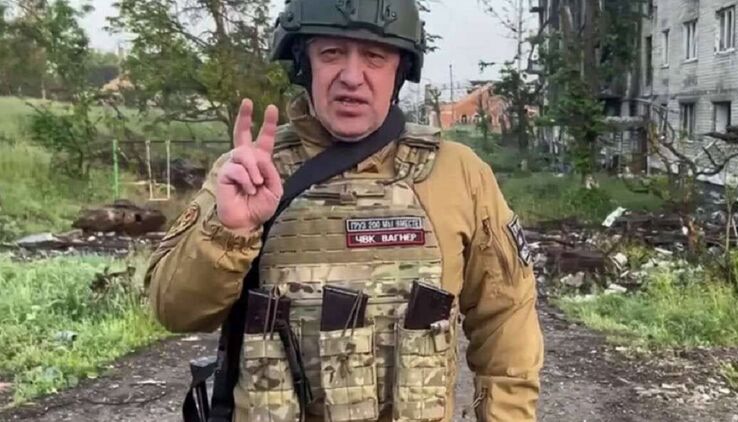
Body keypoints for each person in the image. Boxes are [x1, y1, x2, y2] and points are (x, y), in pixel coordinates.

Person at [144, 0, 544, 420]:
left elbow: (507, 323)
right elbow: (176, 312)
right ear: (304, 63)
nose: (352, 77)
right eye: (331, 53)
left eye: (375, 56)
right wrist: (231, 231)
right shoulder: (249, 173)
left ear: (400, 70)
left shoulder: (458, 175)